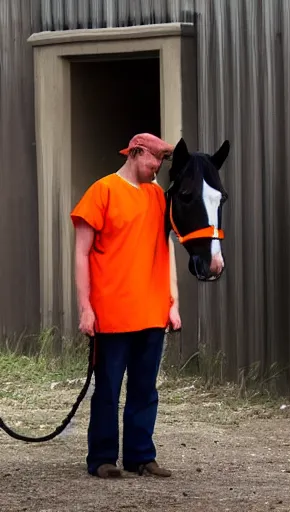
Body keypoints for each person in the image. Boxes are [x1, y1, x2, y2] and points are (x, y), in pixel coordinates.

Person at [70, 133, 182, 479]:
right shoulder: (102, 191)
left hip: (151, 310)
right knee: (107, 388)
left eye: (164, 161)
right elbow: (81, 253)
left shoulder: (159, 197)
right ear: (135, 153)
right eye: (155, 160)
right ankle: (103, 458)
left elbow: (169, 250)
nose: (158, 168)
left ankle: (140, 457)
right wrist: (85, 307)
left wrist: (173, 303)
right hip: (112, 312)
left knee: (145, 389)